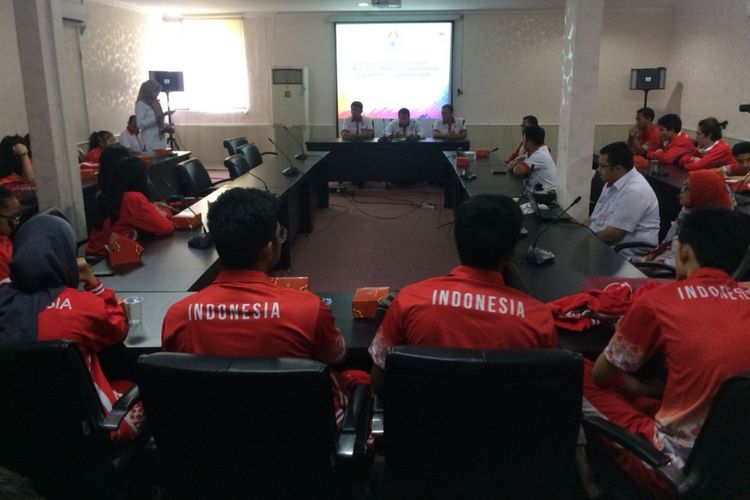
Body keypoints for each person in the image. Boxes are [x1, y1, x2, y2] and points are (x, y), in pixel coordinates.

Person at [162, 187, 368, 425]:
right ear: (269, 249)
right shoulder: (307, 310)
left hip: (212, 436)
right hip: (293, 436)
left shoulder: (178, 315)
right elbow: (337, 356)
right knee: (358, 378)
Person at [583, 207, 750, 494]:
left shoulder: (659, 302)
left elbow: (602, 376)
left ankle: (587, 482)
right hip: (738, 464)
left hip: (673, 470)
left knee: (581, 371)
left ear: (683, 251)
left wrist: (628, 340)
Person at [368, 194, 557, 395]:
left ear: (457, 241)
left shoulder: (408, 300)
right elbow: (548, 392)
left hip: (425, 424)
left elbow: (379, 383)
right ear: (510, 253)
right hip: (506, 424)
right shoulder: (539, 319)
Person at [0, 214, 143, 441]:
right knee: (152, 392)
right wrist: (93, 282)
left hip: (19, 434)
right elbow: (119, 327)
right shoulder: (81, 306)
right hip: (96, 430)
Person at [86, 154, 174, 257]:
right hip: (110, 259)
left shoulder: (110, 193)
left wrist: (151, 207)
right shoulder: (133, 199)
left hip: (97, 255)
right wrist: (164, 212)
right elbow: (166, 228)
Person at [640, 169, 732, 267]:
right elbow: (667, 242)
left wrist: (649, 266)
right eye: (683, 185)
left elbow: (680, 266)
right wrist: (652, 256)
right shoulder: (688, 211)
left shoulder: (705, 231)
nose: (681, 191)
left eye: (687, 188)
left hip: (670, 273)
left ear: (701, 194)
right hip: (660, 262)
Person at [586, 142, 660, 251]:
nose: (598, 169)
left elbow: (613, 235)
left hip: (625, 255)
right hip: (603, 244)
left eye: (602, 166)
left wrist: (583, 241)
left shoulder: (635, 191)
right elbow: (594, 219)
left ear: (618, 169)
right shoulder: (611, 181)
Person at [508, 124, 557, 192]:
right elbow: (510, 166)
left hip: (545, 196)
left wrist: (516, 162)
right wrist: (516, 162)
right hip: (537, 192)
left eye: (524, 140)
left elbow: (517, 171)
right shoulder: (533, 152)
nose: (523, 143)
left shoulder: (540, 155)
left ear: (530, 142)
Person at [135, 79, 172, 153]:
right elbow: (139, 124)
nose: (157, 94)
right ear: (148, 91)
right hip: (149, 141)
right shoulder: (141, 104)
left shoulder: (154, 103)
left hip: (160, 139)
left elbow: (158, 121)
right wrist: (155, 118)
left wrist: (166, 126)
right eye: (155, 91)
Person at [0, 186, 20, 283]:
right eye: (12, 218)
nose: (16, 222)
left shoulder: (4, 237)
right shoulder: (2, 255)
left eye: (18, 216)